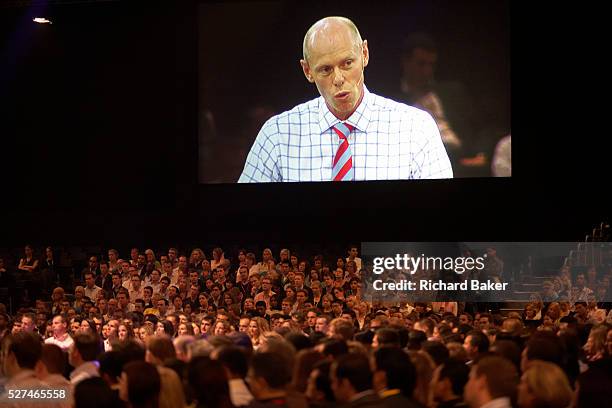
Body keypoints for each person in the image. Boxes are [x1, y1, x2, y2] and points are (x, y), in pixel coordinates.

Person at [238, 16, 452, 183]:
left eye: (347, 63)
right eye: (325, 69)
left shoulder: (416, 128)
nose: (339, 79)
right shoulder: (277, 135)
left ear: (365, 54)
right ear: (307, 71)